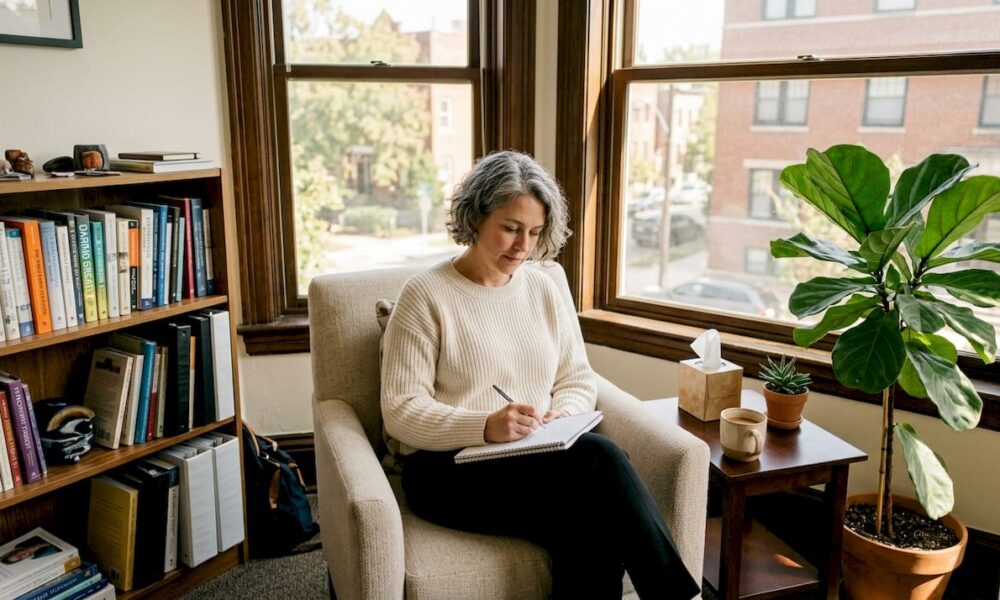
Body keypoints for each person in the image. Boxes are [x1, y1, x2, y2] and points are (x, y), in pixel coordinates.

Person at [380, 150, 700, 600]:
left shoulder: (545, 286)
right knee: (602, 458)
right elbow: (400, 411)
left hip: (534, 457)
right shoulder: (425, 295)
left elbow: (577, 378)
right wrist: (485, 426)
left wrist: (559, 415)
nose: (523, 246)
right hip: (445, 470)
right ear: (475, 218)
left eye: (534, 232)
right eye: (510, 229)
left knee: (590, 525)